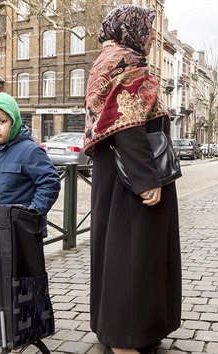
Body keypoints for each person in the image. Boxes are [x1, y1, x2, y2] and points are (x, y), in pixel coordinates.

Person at [84, 5, 182, 354]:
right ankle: (125, 338)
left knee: (124, 253)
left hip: (117, 175)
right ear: (131, 29)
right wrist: (145, 180)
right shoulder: (125, 62)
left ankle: (135, 329)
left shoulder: (110, 59)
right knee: (132, 257)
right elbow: (127, 123)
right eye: (148, 29)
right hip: (132, 179)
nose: (153, 36)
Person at [0, 92, 60, 226]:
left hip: (24, 229)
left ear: (14, 121)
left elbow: (50, 183)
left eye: (2, 121)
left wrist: (32, 213)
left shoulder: (30, 151)